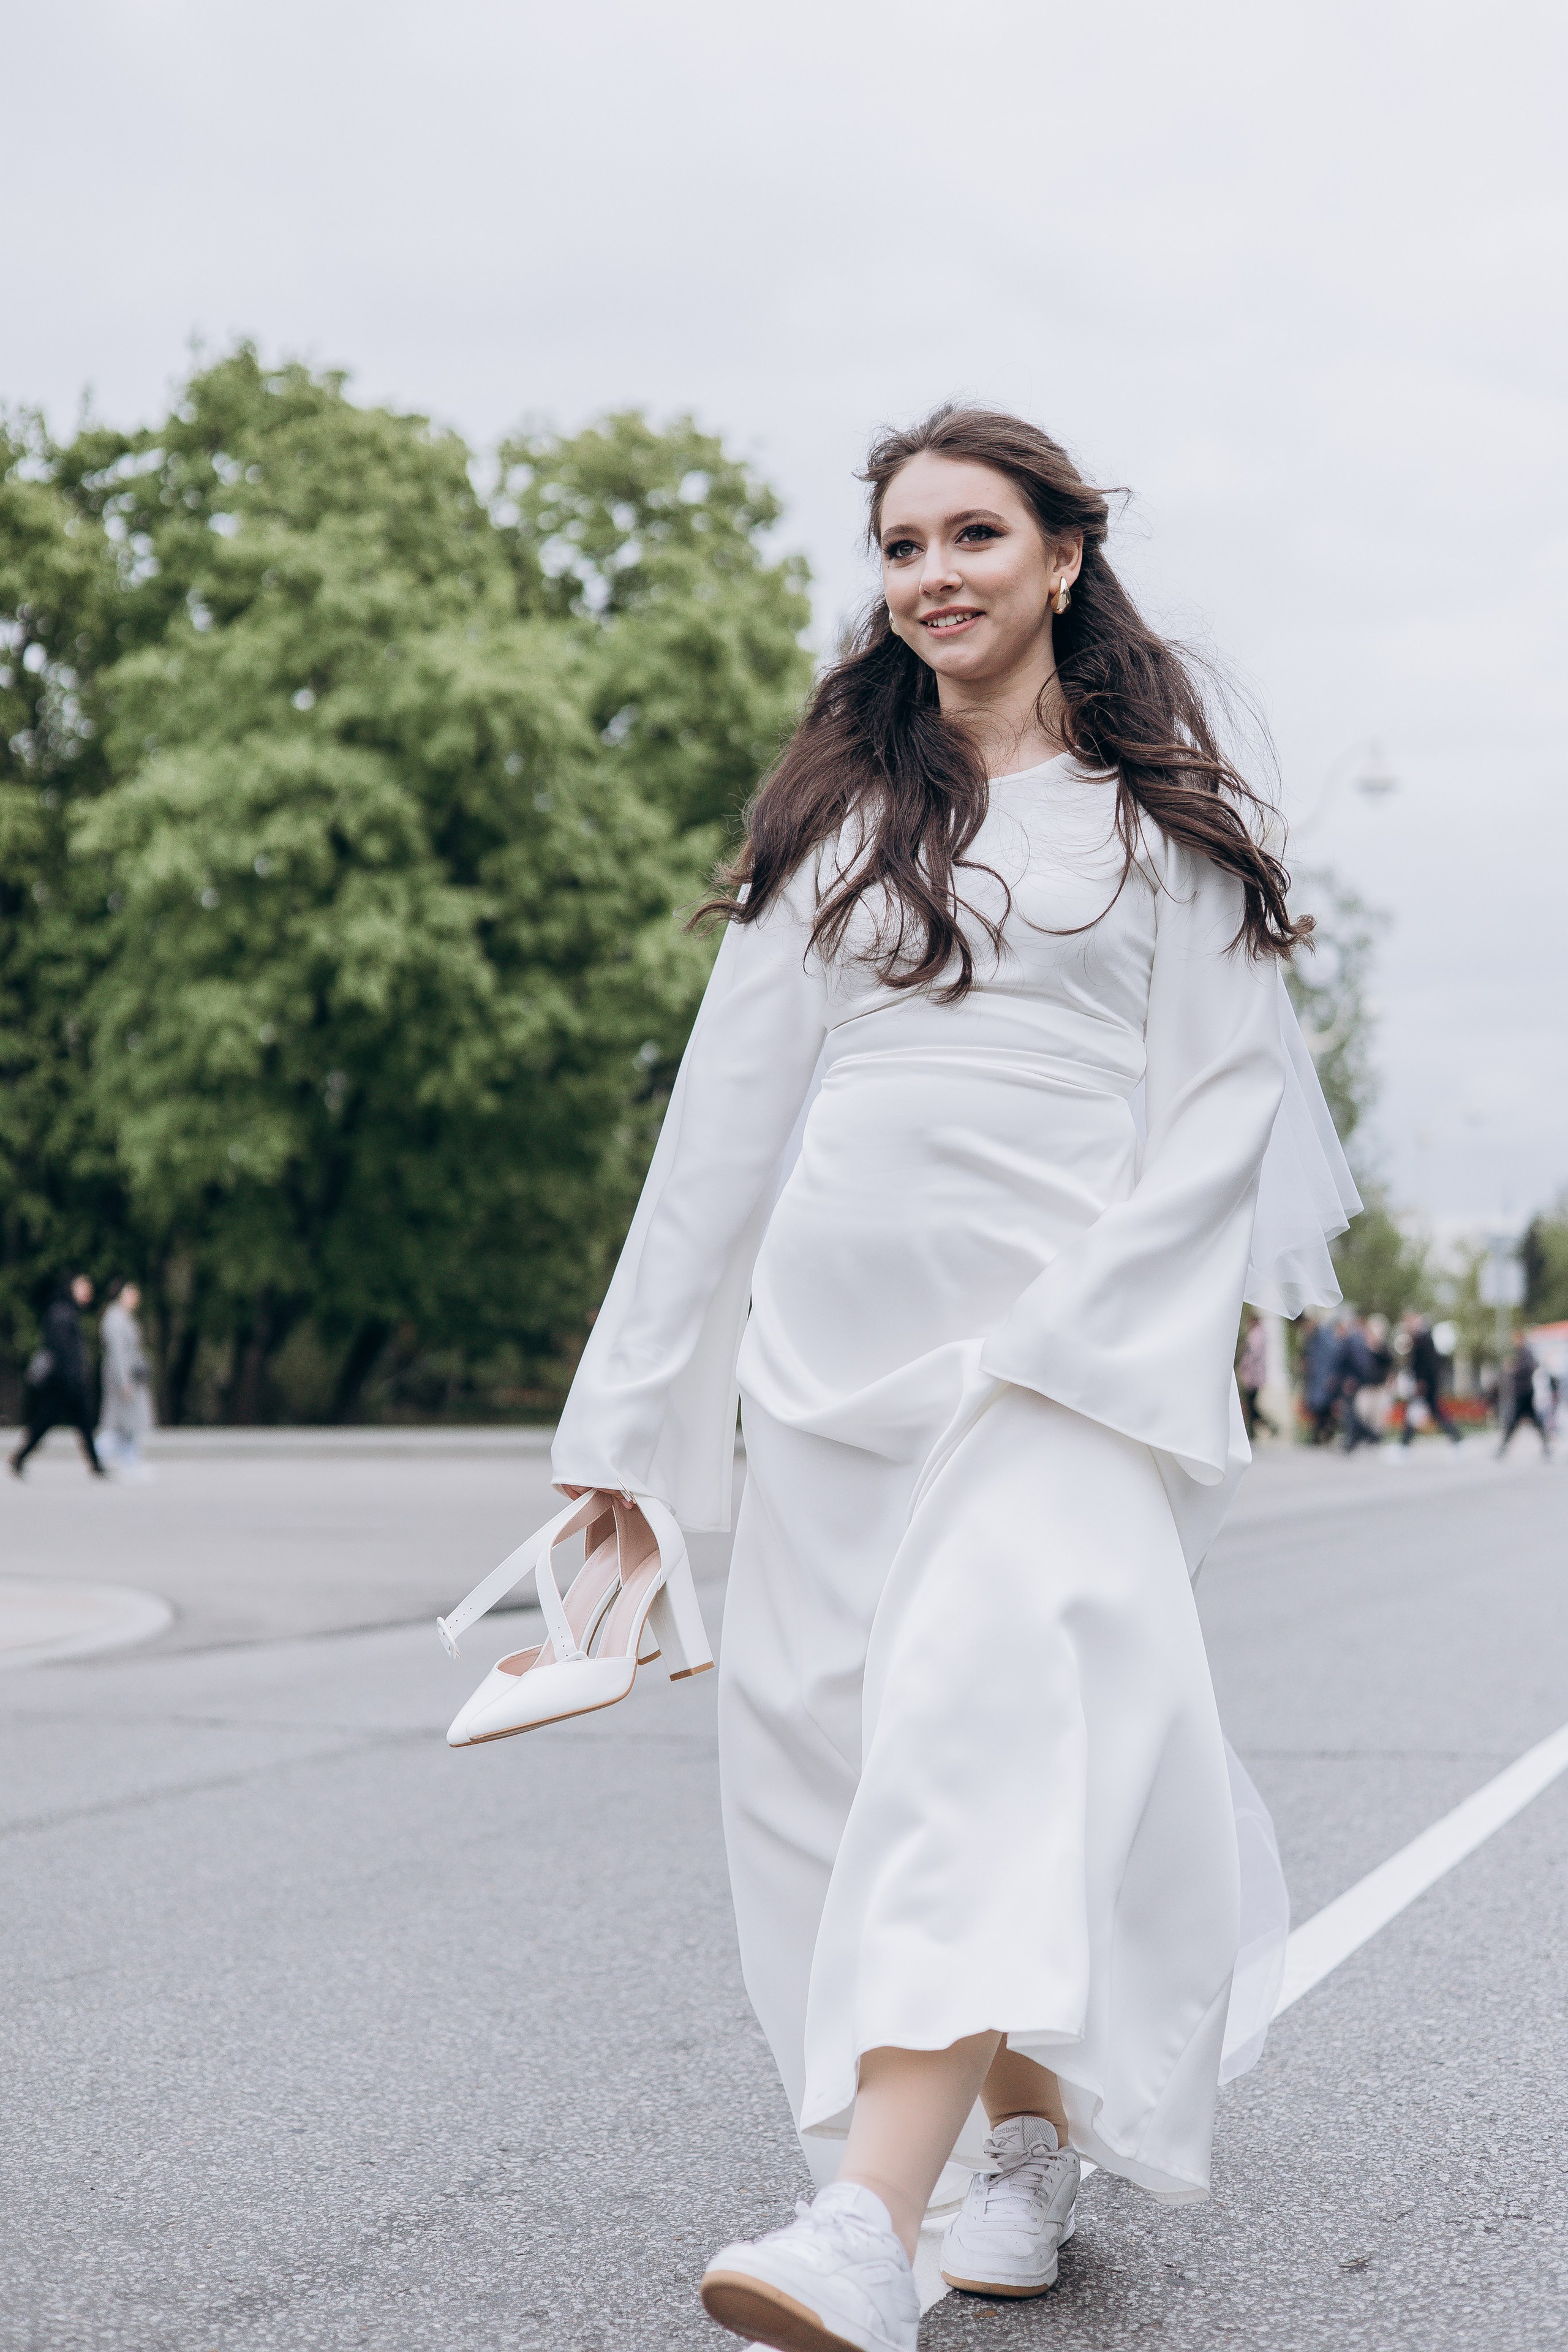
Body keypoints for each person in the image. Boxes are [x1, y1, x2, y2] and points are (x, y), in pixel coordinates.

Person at [536, 406, 1358, 2351]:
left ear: (1064, 556)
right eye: (902, 545)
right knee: (839, 1772)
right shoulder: (835, 821)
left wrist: (1090, 1339)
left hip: (1061, 1369)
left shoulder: (1168, 833)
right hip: (829, 1378)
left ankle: (860, 2219)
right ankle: (1019, 2140)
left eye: (973, 534)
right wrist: (627, 1433)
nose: (933, 574)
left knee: (988, 1731)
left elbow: (1218, 1120)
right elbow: (717, 1138)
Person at [9, 1275, 107, 1479]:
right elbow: (62, 1353)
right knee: (48, 1422)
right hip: (63, 1382)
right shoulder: (62, 1313)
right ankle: (20, 1457)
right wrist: (75, 1378)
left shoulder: (66, 1311)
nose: (87, 1293)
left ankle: (96, 1464)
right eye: (82, 1288)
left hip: (67, 1381)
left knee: (81, 1423)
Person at [97, 1278, 154, 1476]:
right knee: (119, 1423)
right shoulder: (115, 1318)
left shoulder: (123, 1317)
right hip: (122, 1379)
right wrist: (124, 1382)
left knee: (128, 1425)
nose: (135, 1297)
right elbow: (118, 1353)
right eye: (131, 1293)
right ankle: (99, 1455)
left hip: (129, 1378)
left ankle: (130, 1462)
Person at [1398, 1311, 1462, 1447]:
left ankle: (1404, 1445)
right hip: (1426, 1383)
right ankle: (1404, 1444)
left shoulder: (1424, 1338)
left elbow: (1427, 1364)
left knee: (1421, 1412)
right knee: (1424, 1412)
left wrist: (1422, 1381)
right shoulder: (1422, 1337)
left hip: (1426, 1384)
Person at [1496, 1334, 1551, 1460]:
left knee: (1516, 1422)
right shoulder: (1520, 1353)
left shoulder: (1526, 1353)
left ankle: (1502, 1449)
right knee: (1529, 1422)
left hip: (1524, 1394)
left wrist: (1514, 1368)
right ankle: (1546, 1447)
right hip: (1522, 1393)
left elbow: (1531, 1367)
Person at [1301, 1311, 1343, 1444]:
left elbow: (1332, 1356)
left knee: (1322, 1406)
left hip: (1324, 1377)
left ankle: (1322, 1434)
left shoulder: (1324, 1336)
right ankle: (1320, 1434)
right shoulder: (1314, 1337)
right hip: (1318, 1378)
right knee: (1319, 1407)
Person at [1237, 1315, 1277, 1440]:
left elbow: (1252, 1355)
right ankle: (1254, 1429)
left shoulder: (1257, 1335)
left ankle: (1267, 1426)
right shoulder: (1257, 1334)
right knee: (1251, 1405)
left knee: (1251, 1406)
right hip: (1253, 1376)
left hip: (1253, 1377)